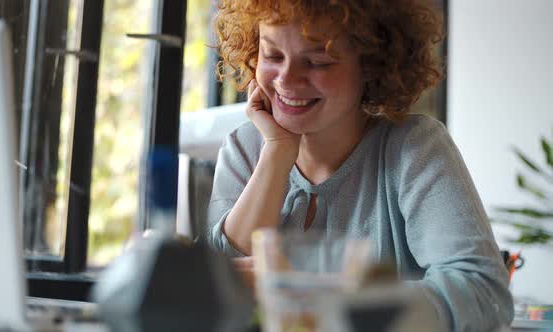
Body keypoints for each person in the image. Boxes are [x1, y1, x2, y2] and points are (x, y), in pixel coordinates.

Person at [206, 0, 514, 330]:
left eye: (317, 62)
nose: (286, 79)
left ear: (370, 65)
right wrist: (277, 153)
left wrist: (320, 297)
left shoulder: (414, 147)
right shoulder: (243, 148)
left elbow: (483, 292)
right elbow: (219, 294)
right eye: (273, 56)